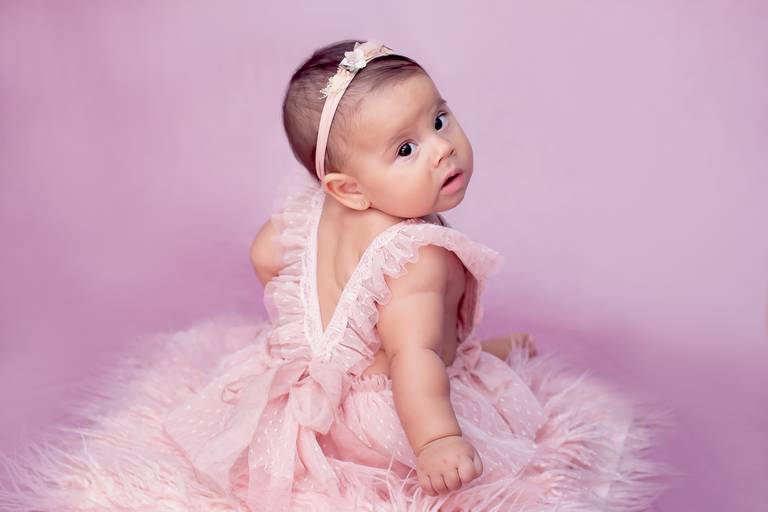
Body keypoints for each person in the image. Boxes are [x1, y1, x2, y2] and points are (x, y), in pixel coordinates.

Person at [0, 39, 668, 511]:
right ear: (349, 187)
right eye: (405, 148)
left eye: (439, 119)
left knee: (419, 343)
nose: (441, 149)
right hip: (383, 411)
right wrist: (437, 440)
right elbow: (411, 361)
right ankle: (456, 382)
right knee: (438, 370)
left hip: (309, 389)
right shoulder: (419, 256)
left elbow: (266, 255)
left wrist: (323, 321)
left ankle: (462, 353)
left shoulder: (309, 210)